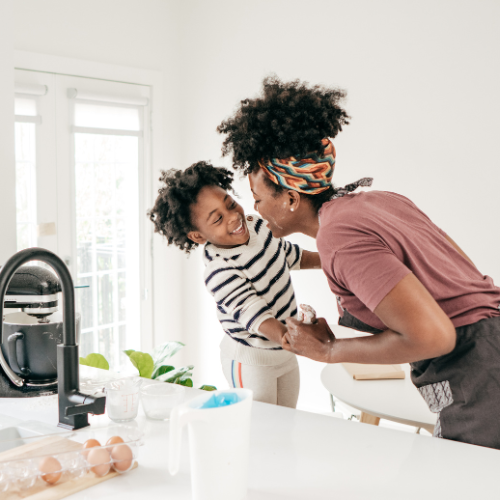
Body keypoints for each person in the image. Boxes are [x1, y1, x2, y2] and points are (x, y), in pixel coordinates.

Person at [217, 76, 500, 448]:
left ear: (290, 198)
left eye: (257, 197)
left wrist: (329, 352)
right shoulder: (381, 200)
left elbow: (435, 336)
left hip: (480, 376)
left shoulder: (338, 236)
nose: (254, 209)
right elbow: (467, 276)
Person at [148, 161, 321, 407]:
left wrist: (329, 260)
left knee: (287, 420)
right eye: (218, 219)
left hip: (285, 351)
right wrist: (291, 336)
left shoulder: (257, 226)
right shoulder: (219, 269)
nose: (233, 217)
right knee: (259, 430)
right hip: (251, 359)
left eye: (230, 204)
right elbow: (254, 313)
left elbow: (287, 253)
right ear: (198, 236)